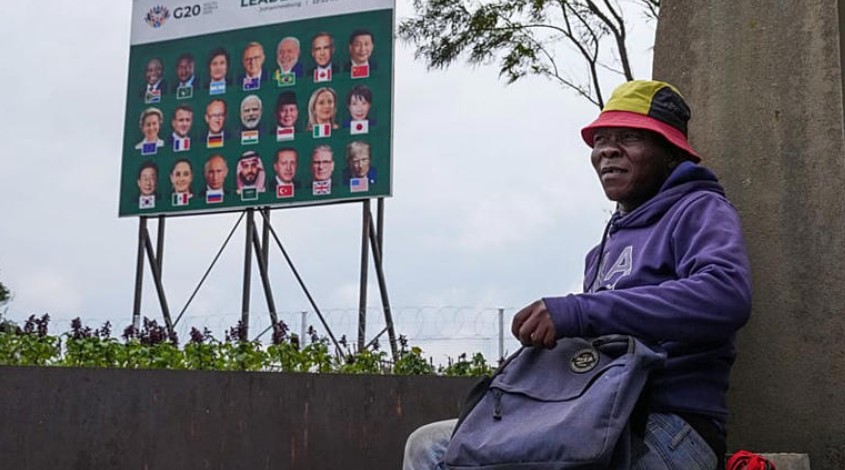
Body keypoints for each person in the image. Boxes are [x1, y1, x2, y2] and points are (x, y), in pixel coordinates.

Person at [402, 80, 752, 470]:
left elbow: (726, 295)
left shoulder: (699, 209)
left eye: (629, 137)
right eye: (601, 139)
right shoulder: (602, 251)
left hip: (667, 424)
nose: (608, 150)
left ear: (671, 153)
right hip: (595, 411)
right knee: (430, 447)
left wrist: (579, 312)